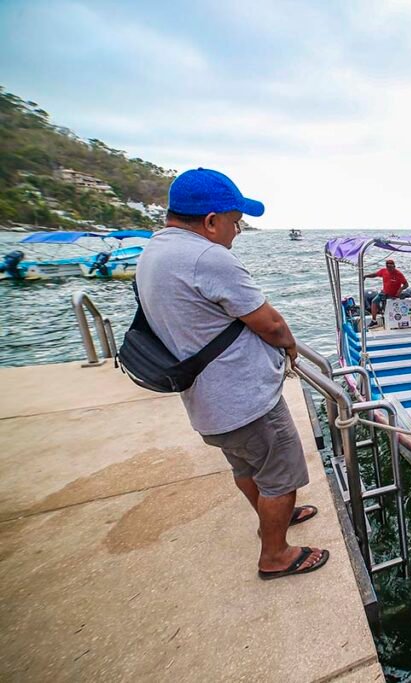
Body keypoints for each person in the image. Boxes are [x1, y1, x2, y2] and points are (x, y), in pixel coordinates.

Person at [135, 168, 329, 580]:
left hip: (209, 401)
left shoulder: (155, 253)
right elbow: (270, 324)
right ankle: (274, 555)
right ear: (210, 222)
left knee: (246, 467)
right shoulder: (208, 257)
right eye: (235, 222)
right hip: (245, 401)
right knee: (280, 473)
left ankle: (272, 518)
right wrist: (291, 347)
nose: (237, 231)